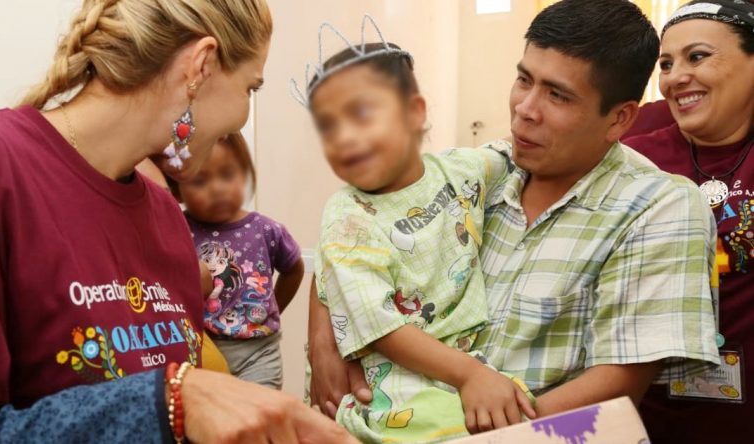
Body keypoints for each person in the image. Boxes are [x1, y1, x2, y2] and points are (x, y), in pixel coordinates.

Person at [0, 0, 353, 442]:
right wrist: (172, 402)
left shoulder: (165, 219)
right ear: (199, 66)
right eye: (251, 87)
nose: (243, 114)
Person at [308, 0, 720, 433]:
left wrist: (468, 432)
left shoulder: (658, 206)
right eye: (524, 80)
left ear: (618, 119)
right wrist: (324, 340)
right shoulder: (481, 170)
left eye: (557, 95)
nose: (526, 108)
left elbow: (617, 382)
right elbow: (357, 222)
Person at [300, 19, 536, 440]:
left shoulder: (465, 169)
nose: (345, 138)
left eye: (362, 114)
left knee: (517, 411)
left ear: (415, 113)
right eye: (328, 125)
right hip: (390, 374)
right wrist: (468, 375)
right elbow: (381, 327)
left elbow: (520, 150)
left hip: (462, 359)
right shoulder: (348, 215)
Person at [622, 1, 754, 441]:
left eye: (697, 57)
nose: (675, 77)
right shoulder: (633, 152)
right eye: (666, 63)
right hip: (646, 411)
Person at [168, 133, 305, 388]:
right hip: (203, 348)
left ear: (244, 174)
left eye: (228, 174)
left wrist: (274, 307)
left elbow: (294, 269)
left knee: (260, 417)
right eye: (200, 180)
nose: (217, 188)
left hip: (259, 353)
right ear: (177, 189)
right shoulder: (176, 229)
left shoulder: (267, 230)